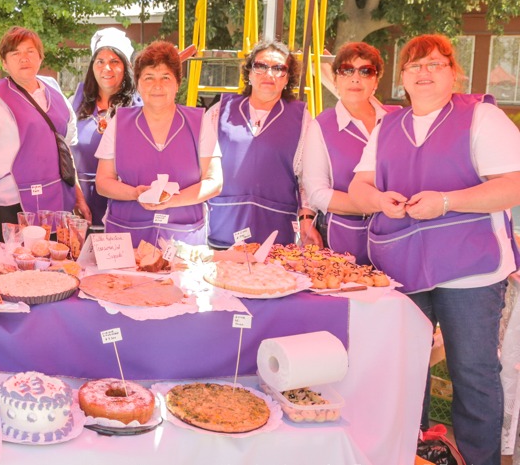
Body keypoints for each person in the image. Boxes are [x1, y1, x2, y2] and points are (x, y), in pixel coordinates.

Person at [349, 34, 520, 465]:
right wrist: (378, 199)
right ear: (402, 76)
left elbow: (513, 185)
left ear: (453, 73)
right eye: (414, 65)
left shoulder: (481, 117)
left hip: (470, 270)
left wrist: (446, 201)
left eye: (435, 64)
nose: (423, 72)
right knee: (407, 371)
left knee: (472, 371)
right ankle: (417, 453)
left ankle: (480, 459)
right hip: (404, 266)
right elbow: (358, 185)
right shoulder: (388, 125)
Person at [95, 41, 222, 246]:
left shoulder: (199, 122)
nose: (157, 86)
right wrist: (135, 194)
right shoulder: (119, 123)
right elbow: (103, 182)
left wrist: (174, 200)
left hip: (183, 238)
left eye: (165, 77)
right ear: (138, 84)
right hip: (127, 237)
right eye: (149, 78)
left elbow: (214, 181)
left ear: (178, 83)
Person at [0, 26, 91, 241]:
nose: (24, 58)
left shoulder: (55, 93)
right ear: (4, 63)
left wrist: (78, 195)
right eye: (15, 53)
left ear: (40, 57)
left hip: (58, 199)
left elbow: (64, 151)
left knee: (56, 259)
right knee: (16, 261)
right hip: (10, 205)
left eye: (30, 51)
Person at [205, 41, 322, 248]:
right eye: (260, 66)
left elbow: (307, 177)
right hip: (222, 227)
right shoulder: (220, 111)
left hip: (276, 234)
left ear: (287, 78)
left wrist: (306, 218)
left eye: (278, 68)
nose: (269, 74)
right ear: (249, 73)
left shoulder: (302, 118)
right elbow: (202, 168)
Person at [302, 42, 397, 261]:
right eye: (346, 70)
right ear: (335, 80)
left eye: (366, 71)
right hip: (344, 241)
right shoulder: (321, 126)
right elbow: (317, 193)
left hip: (396, 238)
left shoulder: (396, 121)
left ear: (376, 81)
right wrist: (377, 204)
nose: (355, 78)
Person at [72, 28, 139, 228]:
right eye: (100, 61)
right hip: (81, 205)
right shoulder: (75, 102)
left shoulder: (139, 107)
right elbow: (63, 153)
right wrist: (76, 196)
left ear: (127, 66)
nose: (106, 68)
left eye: (114, 61)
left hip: (125, 205)